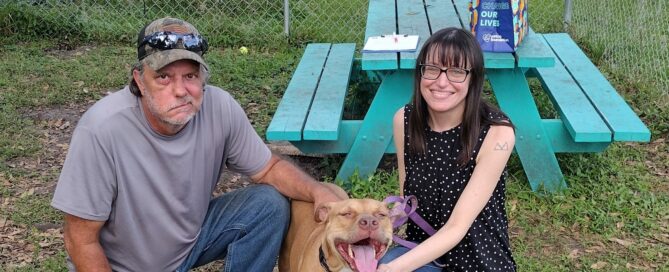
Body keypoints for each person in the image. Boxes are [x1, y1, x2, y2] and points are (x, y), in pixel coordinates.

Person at [51, 17, 342, 272]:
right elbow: (80, 238)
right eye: (163, 77)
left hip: (188, 244)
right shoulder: (102, 129)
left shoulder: (219, 107)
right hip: (125, 265)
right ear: (139, 80)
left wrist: (317, 190)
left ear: (202, 78)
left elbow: (268, 168)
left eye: (190, 76)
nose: (180, 91)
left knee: (267, 204)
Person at [377, 27, 517, 272]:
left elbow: (457, 228)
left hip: (477, 259)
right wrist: (381, 222)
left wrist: (393, 269)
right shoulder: (405, 120)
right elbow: (408, 200)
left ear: (474, 78)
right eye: (432, 69)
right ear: (420, 73)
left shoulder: (497, 133)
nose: (441, 82)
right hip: (422, 249)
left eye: (456, 71)